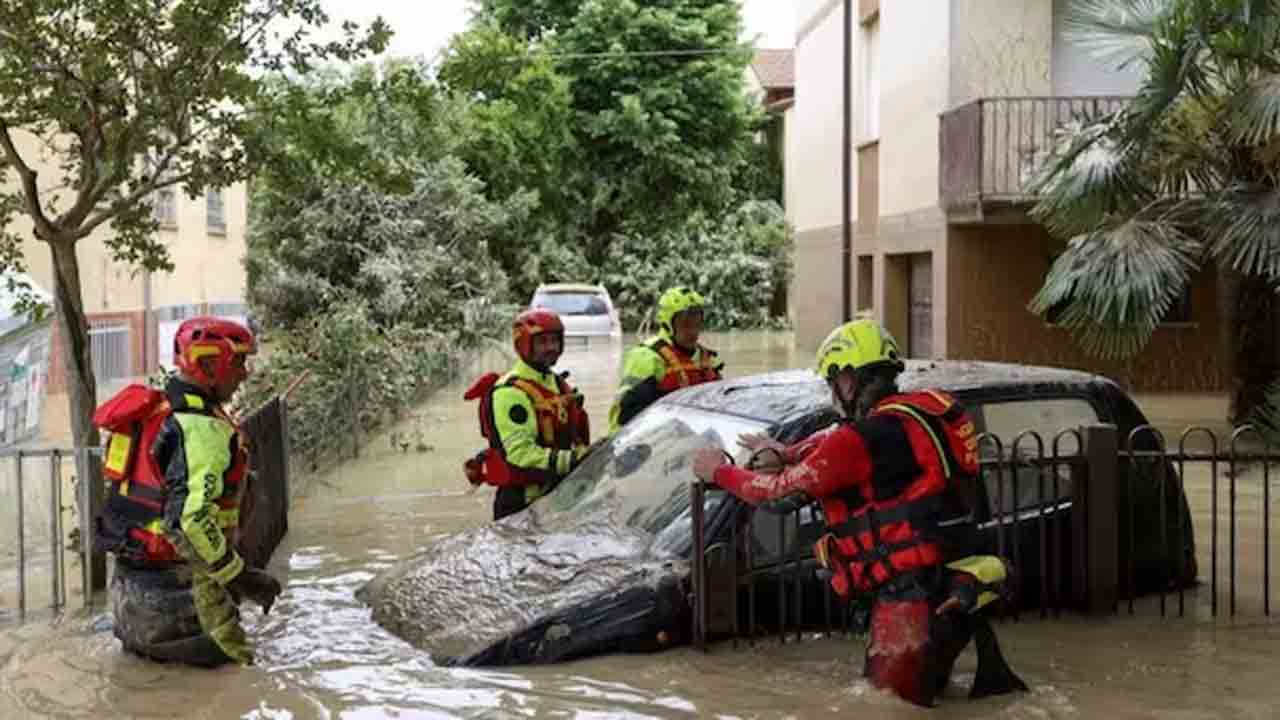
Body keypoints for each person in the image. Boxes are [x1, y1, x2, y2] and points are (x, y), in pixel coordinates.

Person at [690, 319, 1027, 708]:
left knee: (884, 705)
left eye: (833, 382)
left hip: (908, 599)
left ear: (848, 380)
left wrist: (719, 471)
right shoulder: (922, 414)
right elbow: (840, 443)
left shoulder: (860, 440)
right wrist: (787, 450)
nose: (833, 393)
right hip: (957, 582)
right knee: (928, 696)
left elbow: (779, 496)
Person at [93, 316, 281, 667]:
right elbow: (189, 521)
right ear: (209, 363)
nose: (245, 372)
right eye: (238, 361)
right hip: (182, 603)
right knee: (239, 681)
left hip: (127, 599)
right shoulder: (203, 430)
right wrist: (240, 576)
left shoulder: (156, 413)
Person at [464, 309, 591, 520]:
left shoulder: (557, 383)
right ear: (524, 345)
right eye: (542, 342)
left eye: (555, 341)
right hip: (521, 504)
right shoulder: (509, 392)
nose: (551, 348)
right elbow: (519, 455)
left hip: (556, 497)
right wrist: (575, 459)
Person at [608, 287, 724, 434]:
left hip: (694, 441)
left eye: (697, 323)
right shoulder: (647, 357)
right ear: (668, 324)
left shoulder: (706, 359)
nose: (693, 331)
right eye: (685, 324)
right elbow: (621, 416)